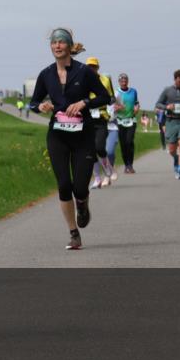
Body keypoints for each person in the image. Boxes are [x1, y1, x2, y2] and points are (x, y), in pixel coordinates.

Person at [29, 28, 111, 250]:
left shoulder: (84, 72)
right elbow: (33, 103)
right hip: (57, 135)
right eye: (53, 42)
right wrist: (41, 106)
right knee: (64, 185)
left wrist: (85, 102)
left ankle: (82, 205)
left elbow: (106, 97)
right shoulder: (46, 74)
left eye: (61, 42)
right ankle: (74, 233)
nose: (57, 46)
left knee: (80, 188)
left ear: (69, 46)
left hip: (83, 135)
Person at [85, 57, 116, 188]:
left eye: (94, 66)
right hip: (88, 117)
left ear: (97, 68)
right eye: (89, 67)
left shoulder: (105, 79)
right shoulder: (82, 81)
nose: (91, 69)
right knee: (90, 151)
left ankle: (108, 169)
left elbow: (112, 97)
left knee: (99, 147)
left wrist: (111, 108)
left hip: (102, 116)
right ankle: (97, 178)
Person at [115, 73, 140, 173]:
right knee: (123, 144)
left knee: (129, 142)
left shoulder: (133, 91)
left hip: (131, 120)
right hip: (120, 121)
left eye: (125, 81)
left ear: (127, 81)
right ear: (119, 82)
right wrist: (117, 107)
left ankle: (130, 165)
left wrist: (137, 107)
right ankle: (126, 165)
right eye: (122, 81)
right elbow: (111, 106)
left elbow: (136, 102)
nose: (124, 83)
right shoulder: (116, 92)